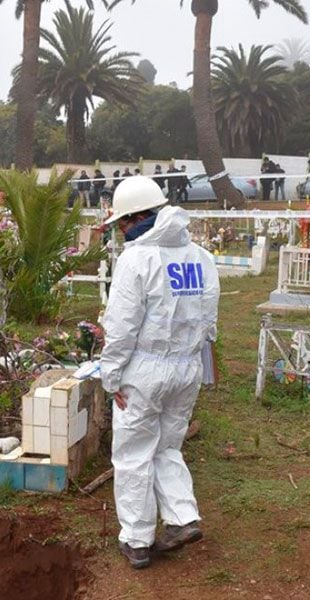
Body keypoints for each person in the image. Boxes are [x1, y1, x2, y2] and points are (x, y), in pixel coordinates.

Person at [100, 175, 220, 570]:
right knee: (168, 446)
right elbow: (209, 319)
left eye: (120, 222)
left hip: (145, 370)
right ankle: (183, 517)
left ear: (133, 218)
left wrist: (111, 377)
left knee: (133, 455)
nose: (120, 230)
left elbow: (121, 327)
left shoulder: (136, 259)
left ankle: (136, 539)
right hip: (187, 366)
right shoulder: (200, 257)